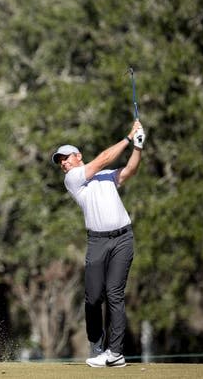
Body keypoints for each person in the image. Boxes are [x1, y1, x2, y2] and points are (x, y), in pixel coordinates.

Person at [52, 120, 145, 368]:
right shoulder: (73, 179)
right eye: (60, 161)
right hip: (97, 241)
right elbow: (103, 159)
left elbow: (129, 171)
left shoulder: (105, 177)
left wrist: (137, 147)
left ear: (77, 155)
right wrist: (128, 137)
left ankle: (115, 353)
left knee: (115, 294)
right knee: (93, 298)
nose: (63, 163)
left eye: (66, 158)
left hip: (123, 239)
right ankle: (97, 343)